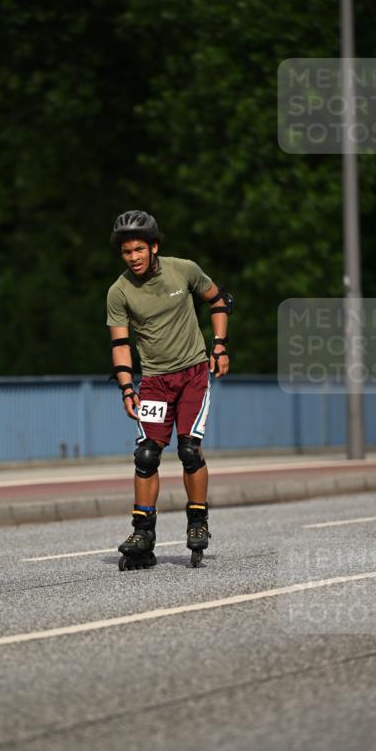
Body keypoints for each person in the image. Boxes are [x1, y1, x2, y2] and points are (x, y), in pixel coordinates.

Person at [106, 209, 232, 569]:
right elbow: (120, 345)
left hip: (193, 374)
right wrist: (128, 388)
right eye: (127, 252)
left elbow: (219, 299)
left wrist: (219, 345)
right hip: (155, 383)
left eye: (139, 250)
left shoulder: (184, 270)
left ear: (154, 246)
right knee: (146, 455)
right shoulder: (119, 292)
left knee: (189, 450)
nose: (134, 257)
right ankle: (143, 534)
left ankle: (197, 521)